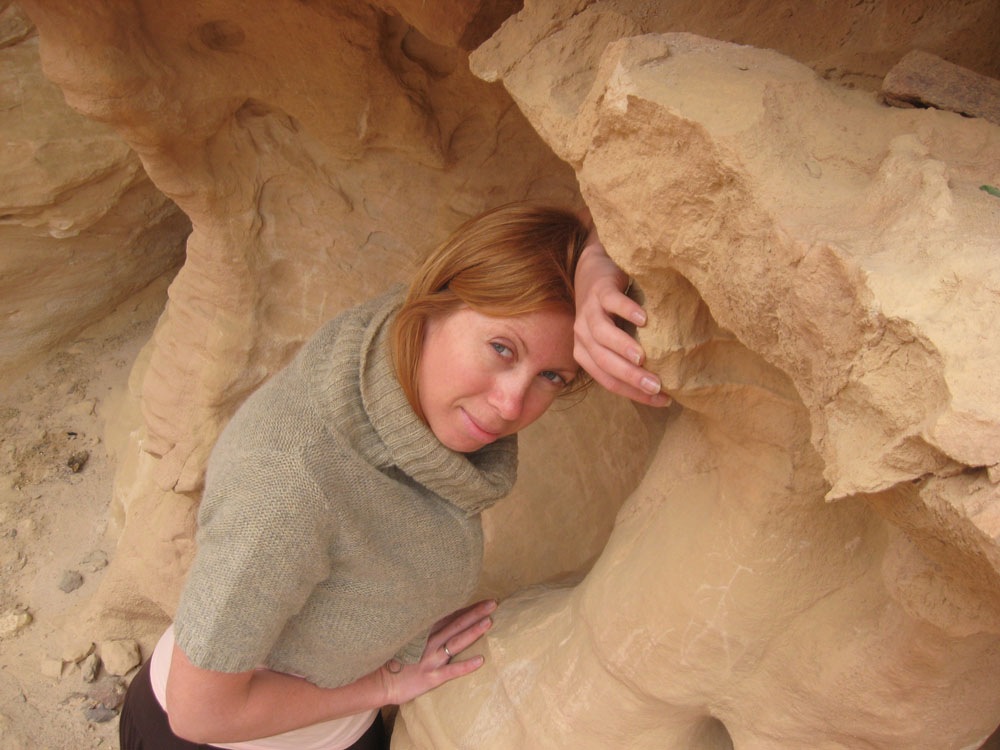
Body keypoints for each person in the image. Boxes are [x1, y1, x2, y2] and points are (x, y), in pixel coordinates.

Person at [118, 202, 668, 750]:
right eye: (502, 349)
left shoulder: (392, 349)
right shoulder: (290, 485)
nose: (511, 404)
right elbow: (200, 713)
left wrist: (595, 263)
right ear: (433, 303)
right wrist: (385, 685)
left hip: (339, 724)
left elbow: (622, 186)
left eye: (551, 376)